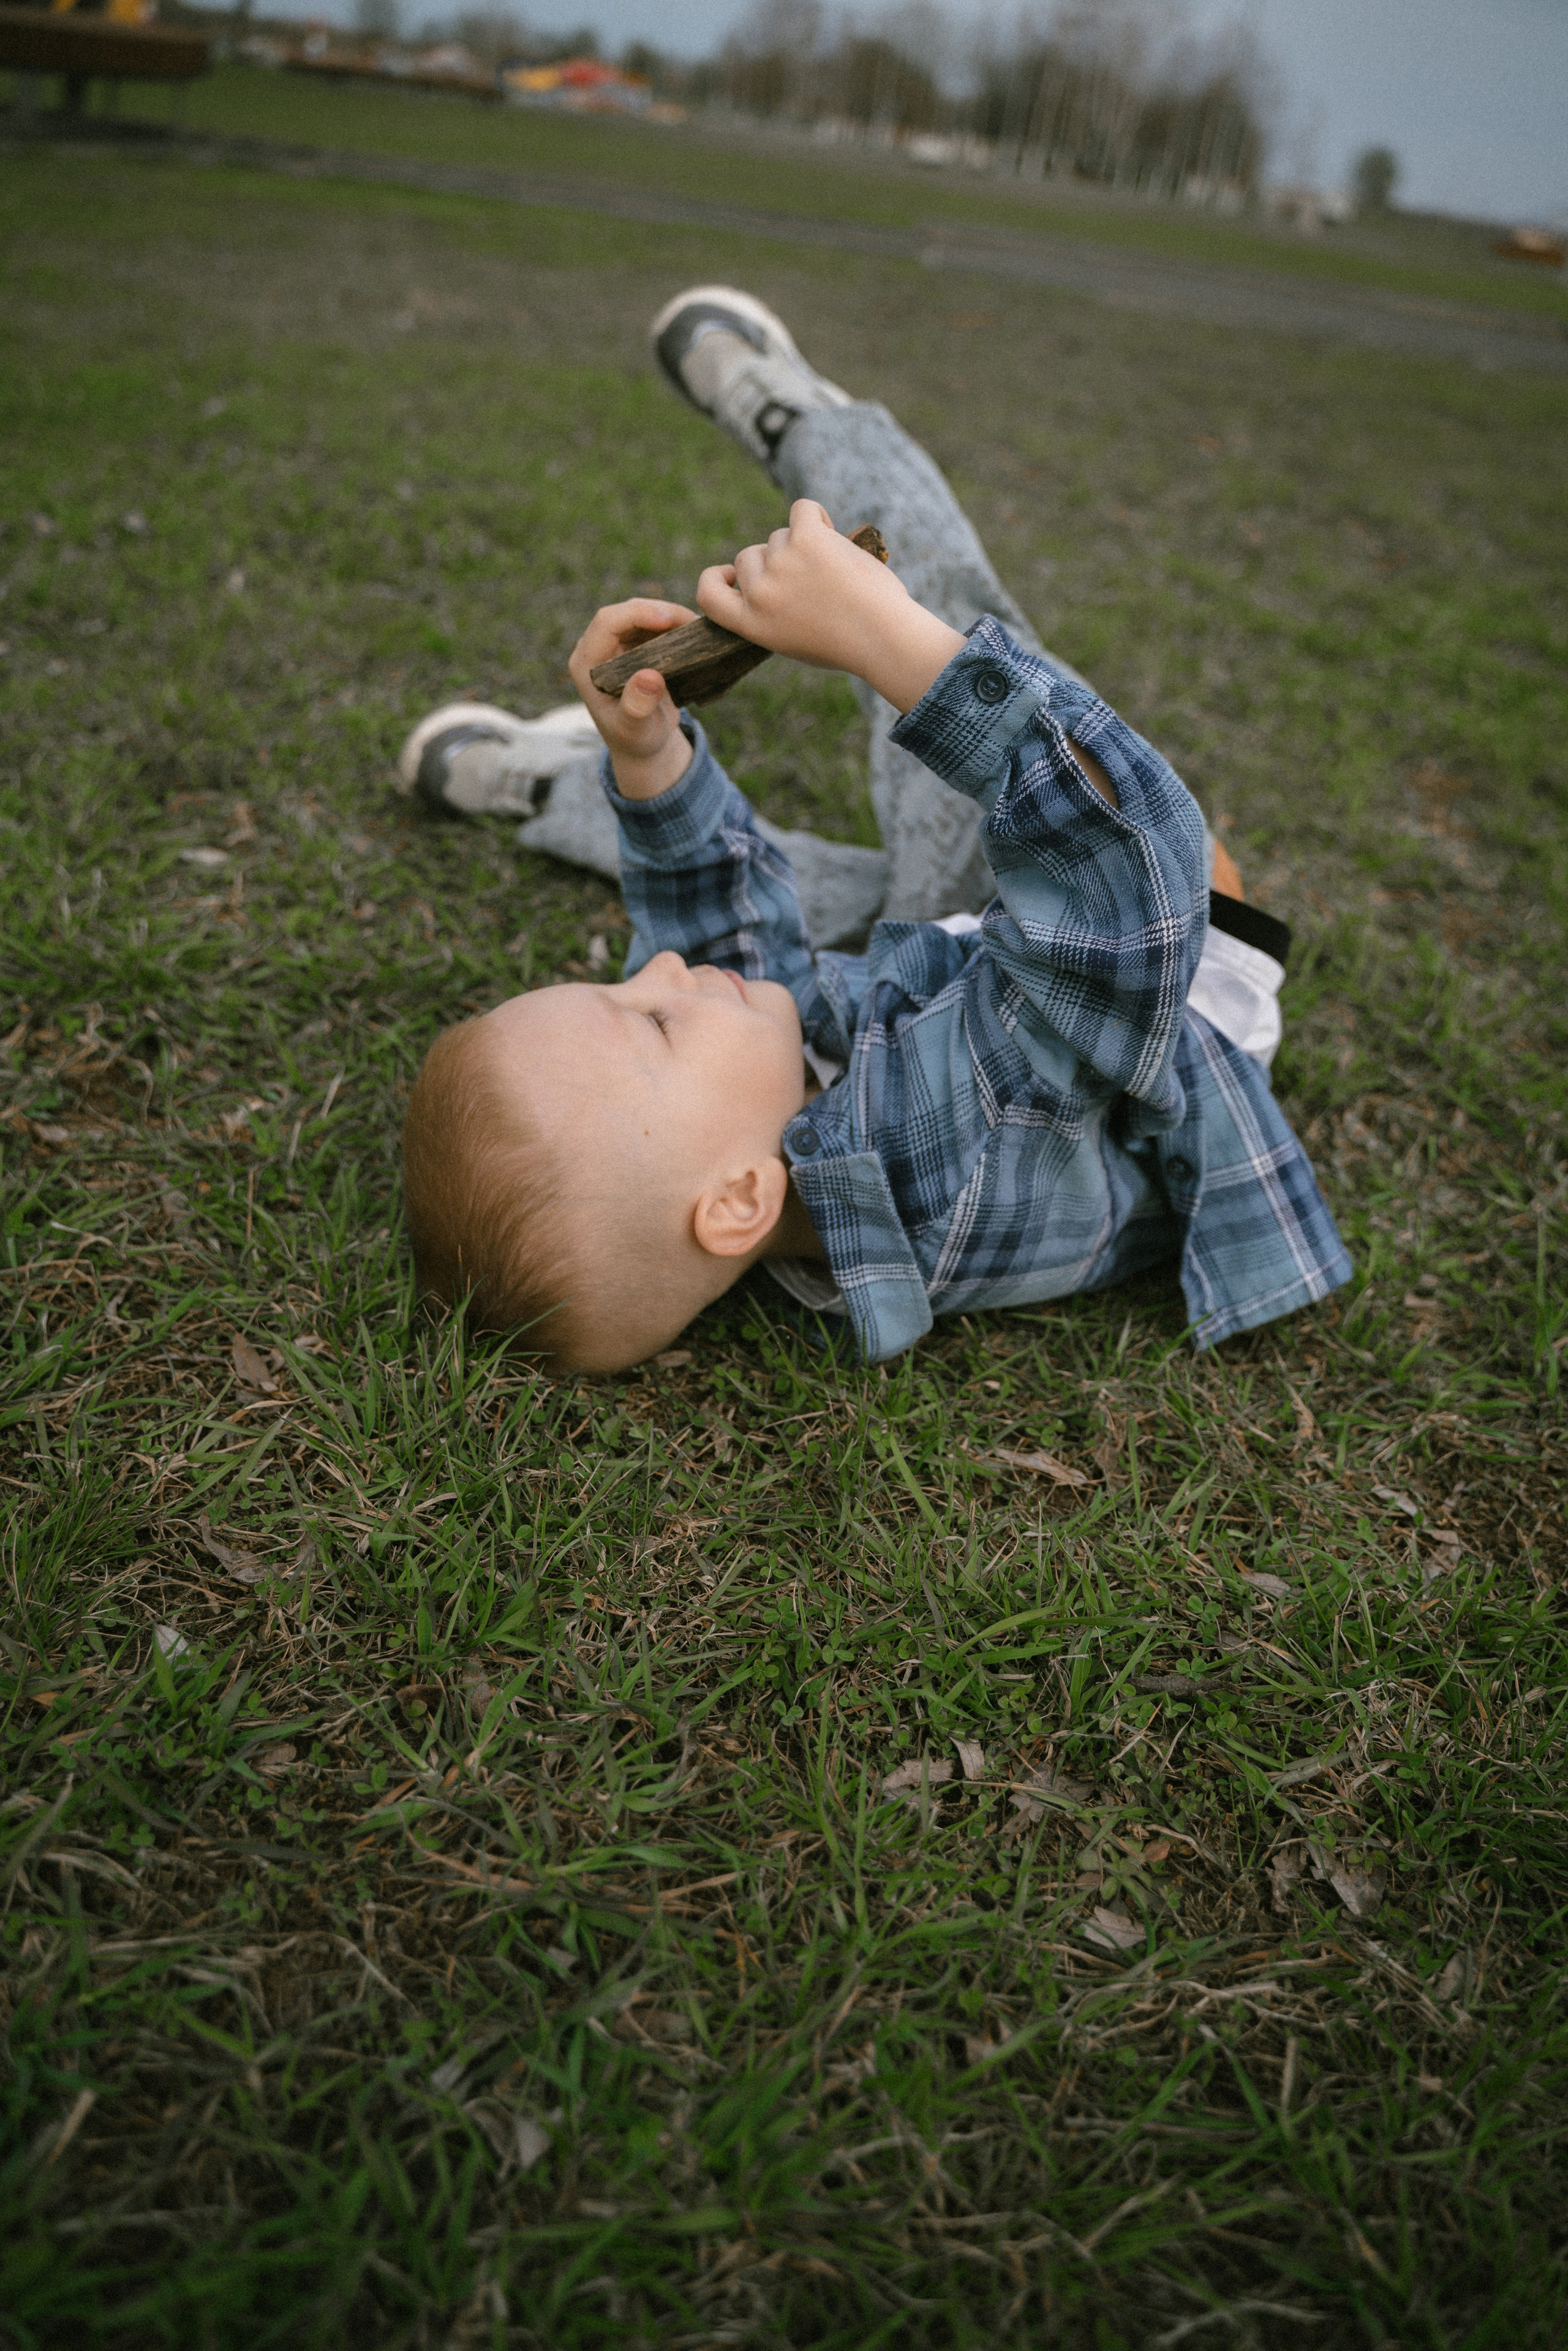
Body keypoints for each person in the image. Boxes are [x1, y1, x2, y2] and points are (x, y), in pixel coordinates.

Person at [399, 285, 1350, 1373]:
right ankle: (806, 423)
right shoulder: (944, 1151)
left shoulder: (766, 1137)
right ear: (738, 1200)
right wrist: (892, 642)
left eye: (621, 986)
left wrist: (644, 755)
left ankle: (555, 786)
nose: (658, 968)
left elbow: (715, 928)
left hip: (969, 970)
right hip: (1152, 963)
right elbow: (1127, 883)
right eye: (653, 1021)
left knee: (799, 898)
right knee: (950, 623)